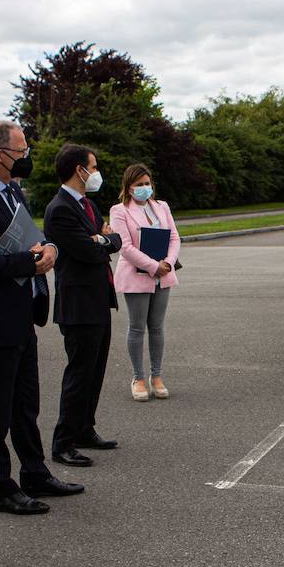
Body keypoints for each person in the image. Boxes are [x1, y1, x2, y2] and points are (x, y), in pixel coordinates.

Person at [0, 120, 82, 514]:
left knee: (26, 402)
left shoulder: (12, 191)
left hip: (21, 313)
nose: (26, 157)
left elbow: (30, 236)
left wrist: (49, 249)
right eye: (21, 150)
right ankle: (1, 486)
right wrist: (29, 261)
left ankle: (35, 472)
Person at [45, 144, 122, 464]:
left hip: (98, 299)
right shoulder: (60, 208)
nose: (96, 173)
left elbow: (113, 240)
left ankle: (84, 428)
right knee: (79, 373)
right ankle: (63, 442)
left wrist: (103, 239)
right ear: (80, 170)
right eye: (93, 166)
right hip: (78, 304)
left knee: (95, 370)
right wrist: (102, 241)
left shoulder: (87, 205)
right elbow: (87, 251)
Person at [109, 163, 180, 401]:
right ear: (129, 188)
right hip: (137, 275)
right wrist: (153, 266)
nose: (144, 188)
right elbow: (125, 247)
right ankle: (138, 377)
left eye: (147, 184)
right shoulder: (119, 211)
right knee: (137, 327)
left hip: (163, 274)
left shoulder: (162, 206)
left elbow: (174, 237)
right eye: (139, 185)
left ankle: (156, 376)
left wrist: (167, 263)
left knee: (157, 327)